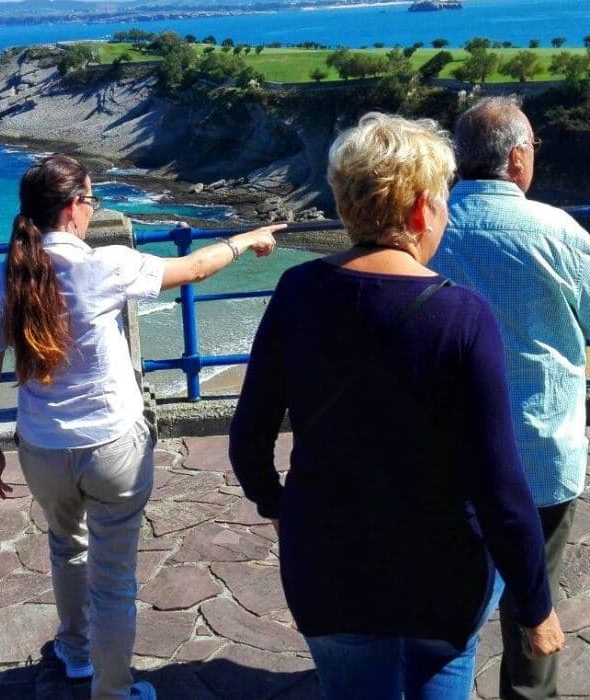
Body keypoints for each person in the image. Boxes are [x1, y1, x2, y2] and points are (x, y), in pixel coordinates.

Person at [229, 113, 564, 700]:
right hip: (441, 577)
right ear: (418, 212)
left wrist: (275, 503)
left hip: (329, 567)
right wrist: (536, 607)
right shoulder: (461, 316)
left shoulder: (297, 293)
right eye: (441, 202)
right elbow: (499, 483)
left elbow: (249, 437)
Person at [0, 153, 283, 700]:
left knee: (66, 546)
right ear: (72, 209)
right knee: (113, 581)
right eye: (91, 201)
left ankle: (74, 654)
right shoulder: (107, 264)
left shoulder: (0, 281)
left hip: (41, 448)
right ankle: (113, 692)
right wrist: (246, 238)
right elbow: (195, 268)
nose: (93, 211)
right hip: (114, 445)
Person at [431, 96, 590, 700]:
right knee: (533, 602)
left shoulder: (426, 227)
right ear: (518, 158)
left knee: (450, 597)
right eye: (534, 148)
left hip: (448, 453)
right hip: (540, 451)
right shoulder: (559, 231)